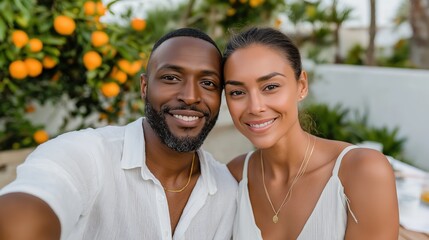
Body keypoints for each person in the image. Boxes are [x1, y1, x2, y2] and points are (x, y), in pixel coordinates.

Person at [0, 28, 237, 240]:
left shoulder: (229, 191)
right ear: (144, 87)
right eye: (171, 78)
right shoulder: (87, 155)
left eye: (208, 83)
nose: (190, 96)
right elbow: (29, 207)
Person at [223, 27, 399, 239]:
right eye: (237, 92)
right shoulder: (234, 175)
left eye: (270, 87)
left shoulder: (361, 172)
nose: (255, 107)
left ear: (301, 86)